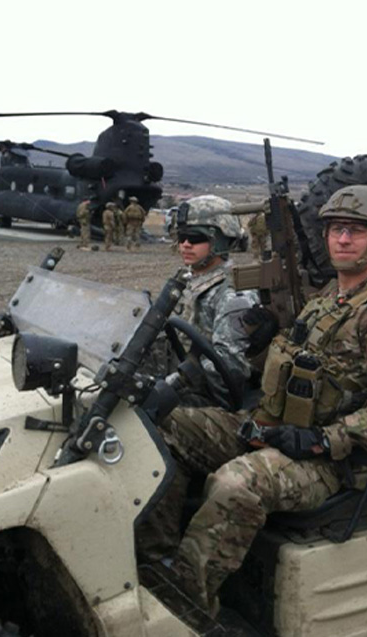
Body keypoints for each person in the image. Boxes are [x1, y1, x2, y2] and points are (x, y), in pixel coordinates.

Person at [161, 185, 367, 616]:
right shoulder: (327, 298)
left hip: (332, 461)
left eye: (356, 231)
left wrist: (324, 439)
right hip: (276, 428)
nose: (342, 239)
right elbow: (300, 370)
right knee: (165, 425)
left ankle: (187, 606)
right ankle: (157, 559)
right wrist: (266, 342)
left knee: (236, 483)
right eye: (336, 229)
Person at [136, 194, 265, 561]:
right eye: (181, 237)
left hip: (211, 401)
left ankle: (156, 553)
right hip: (178, 388)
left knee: (155, 433)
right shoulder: (187, 282)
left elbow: (231, 367)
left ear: (220, 240)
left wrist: (179, 380)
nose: (185, 244)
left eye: (196, 237)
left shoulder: (234, 293)